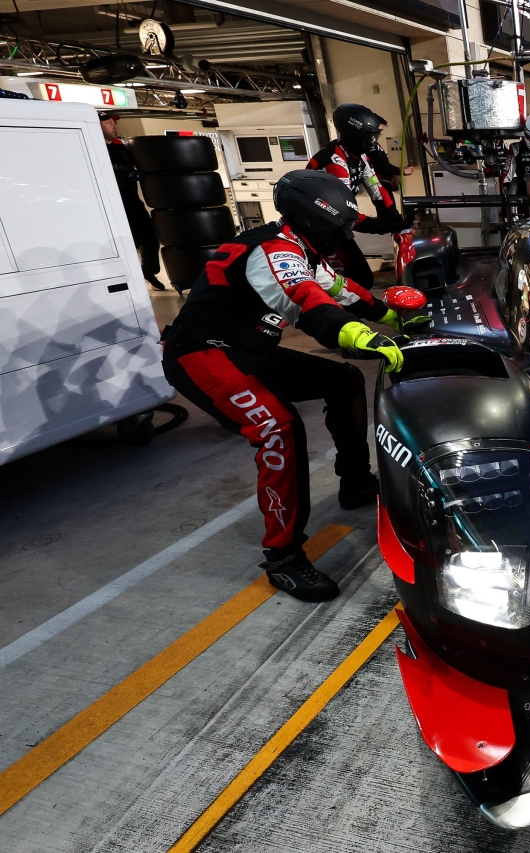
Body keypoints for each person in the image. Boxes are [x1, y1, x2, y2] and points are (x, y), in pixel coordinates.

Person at [161, 171, 410, 601]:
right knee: (279, 428)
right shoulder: (274, 250)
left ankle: (355, 482)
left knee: (345, 380)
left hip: (249, 350)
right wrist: (354, 334)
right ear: (317, 220)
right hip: (202, 354)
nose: (344, 235)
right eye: (340, 226)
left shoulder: (297, 245)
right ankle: (283, 557)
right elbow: (303, 299)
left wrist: (392, 315)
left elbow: (341, 289)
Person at [306, 103, 405, 290]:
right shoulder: (335, 161)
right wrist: (382, 226)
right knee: (345, 282)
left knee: (362, 278)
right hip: (318, 227)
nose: (374, 142)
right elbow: (342, 213)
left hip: (334, 223)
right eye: (371, 137)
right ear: (355, 136)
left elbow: (376, 189)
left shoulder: (360, 156)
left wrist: (396, 220)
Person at [100, 111, 164, 291]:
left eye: (114, 123)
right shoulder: (93, 148)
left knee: (150, 239)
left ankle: (148, 272)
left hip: (132, 202)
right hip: (111, 206)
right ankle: (125, 278)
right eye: (108, 123)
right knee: (124, 244)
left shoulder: (123, 146)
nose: (114, 126)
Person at [366, 114, 415, 191]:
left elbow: (379, 162)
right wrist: (403, 171)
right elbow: (384, 168)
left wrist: (384, 158)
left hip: (380, 182)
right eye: (380, 130)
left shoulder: (374, 144)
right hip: (379, 182)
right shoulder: (369, 145)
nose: (382, 133)